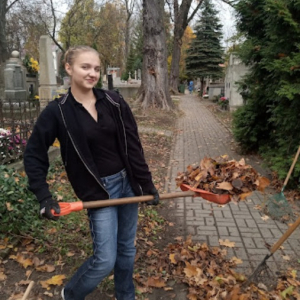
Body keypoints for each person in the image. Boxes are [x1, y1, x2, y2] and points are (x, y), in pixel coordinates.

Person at [24, 45, 159, 300]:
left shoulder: (114, 102)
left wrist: (146, 185)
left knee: (126, 250)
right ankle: (71, 294)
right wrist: (44, 197)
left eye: (96, 68)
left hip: (127, 183)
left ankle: (125, 295)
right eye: (85, 67)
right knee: (104, 260)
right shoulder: (58, 111)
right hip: (98, 191)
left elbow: (133, 147)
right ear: (69, 68)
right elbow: (34, 154)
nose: (92, 73)